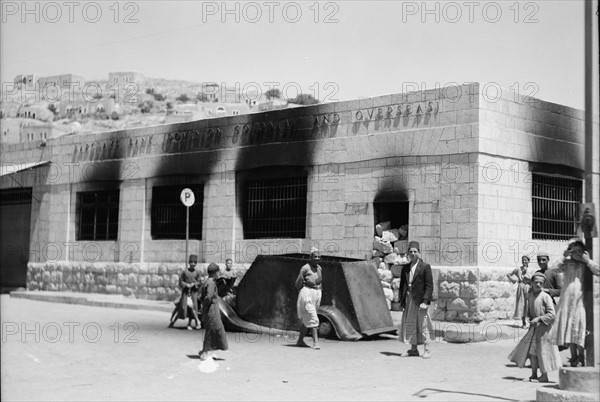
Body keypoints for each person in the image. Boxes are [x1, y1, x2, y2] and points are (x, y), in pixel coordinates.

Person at [551, 238, 599, 367]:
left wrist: (588, 260)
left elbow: (598, 270)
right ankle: (573, 357)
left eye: (579, 251)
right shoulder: (567, 264)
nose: (577, 254)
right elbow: (553, 269)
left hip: (579, 303)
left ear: (584, 252)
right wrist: (563, 256)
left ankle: (581, 357)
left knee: (578, 329)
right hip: (566, 303)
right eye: (574, 251)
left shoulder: (586, 265)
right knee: (569, 331)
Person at [508, 272, 562, 383]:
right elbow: (530, 309)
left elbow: (552, 314)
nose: (538, 284)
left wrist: (539, 319)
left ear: (543, 284)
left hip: (544, 331)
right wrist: (530, 318)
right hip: (533, 329)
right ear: (531, 283)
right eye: (536, 282)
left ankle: (544, 375)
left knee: (543, 352)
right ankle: (533, 374)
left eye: (541, 283)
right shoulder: (530, 295)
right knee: (533, 353)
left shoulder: (546, 297)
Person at [398, 241, 434, 359]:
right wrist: (402, 301)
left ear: (419, 252)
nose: (412, 253)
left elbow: (429, 286)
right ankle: (413, 349)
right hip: (409, 299)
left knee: (423, 324)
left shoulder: (425, 267)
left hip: (420, 300)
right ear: (408, 253)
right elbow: (402, 286)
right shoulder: (406, 268)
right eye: (410, 251)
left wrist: (425, 301)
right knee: (410, 323)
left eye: (415, 251)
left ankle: (427, 349)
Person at [199, 263, 229, 360]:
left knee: (215, 330)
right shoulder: (211, 283)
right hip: (211, 311)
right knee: (212, 330)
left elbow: (202, 296)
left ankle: (210, 351)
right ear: (216, 273)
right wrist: (204, 306)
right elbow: (208, 297)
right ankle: (205, 352)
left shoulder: (207, 282)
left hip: (211, 310)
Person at [295, 247, 323, 350]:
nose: (317, 258)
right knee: (313, 317)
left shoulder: (319, 268)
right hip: (307, 293)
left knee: (306, 319)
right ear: (310, 257)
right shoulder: (305, 268)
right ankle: (316, 342)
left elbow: (319, 281)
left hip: (317, 293)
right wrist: (303, 293)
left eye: (319, 257)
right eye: (315, 256)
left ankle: (300, 341)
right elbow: (298, 283)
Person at [169, 254, 202, 330]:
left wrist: (194, 284)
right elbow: (180, 281)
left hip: (193, 293)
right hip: (185, 294)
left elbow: (199, 282)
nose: (193, 264)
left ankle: (189, 324)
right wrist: (186, 284)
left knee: (191, 307)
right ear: (189, 262)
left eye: (194, 262)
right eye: (191, 262)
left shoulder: (198, 272)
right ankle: (173, 322)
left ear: (196, 263)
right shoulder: (184, 272)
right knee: (182, 308)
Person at [508, 255, 532, 328]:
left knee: (529, 305)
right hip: (521, 287)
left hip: (528, 288)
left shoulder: (531, 270)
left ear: (528, 261)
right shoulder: (518, 269)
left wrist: (526, 273)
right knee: (522, 305)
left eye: (525, 260)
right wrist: (514, 280)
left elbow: (532, 279)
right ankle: (523, 323)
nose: (524, 261)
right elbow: (509, 274)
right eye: (523, 260)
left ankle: (531, 322)